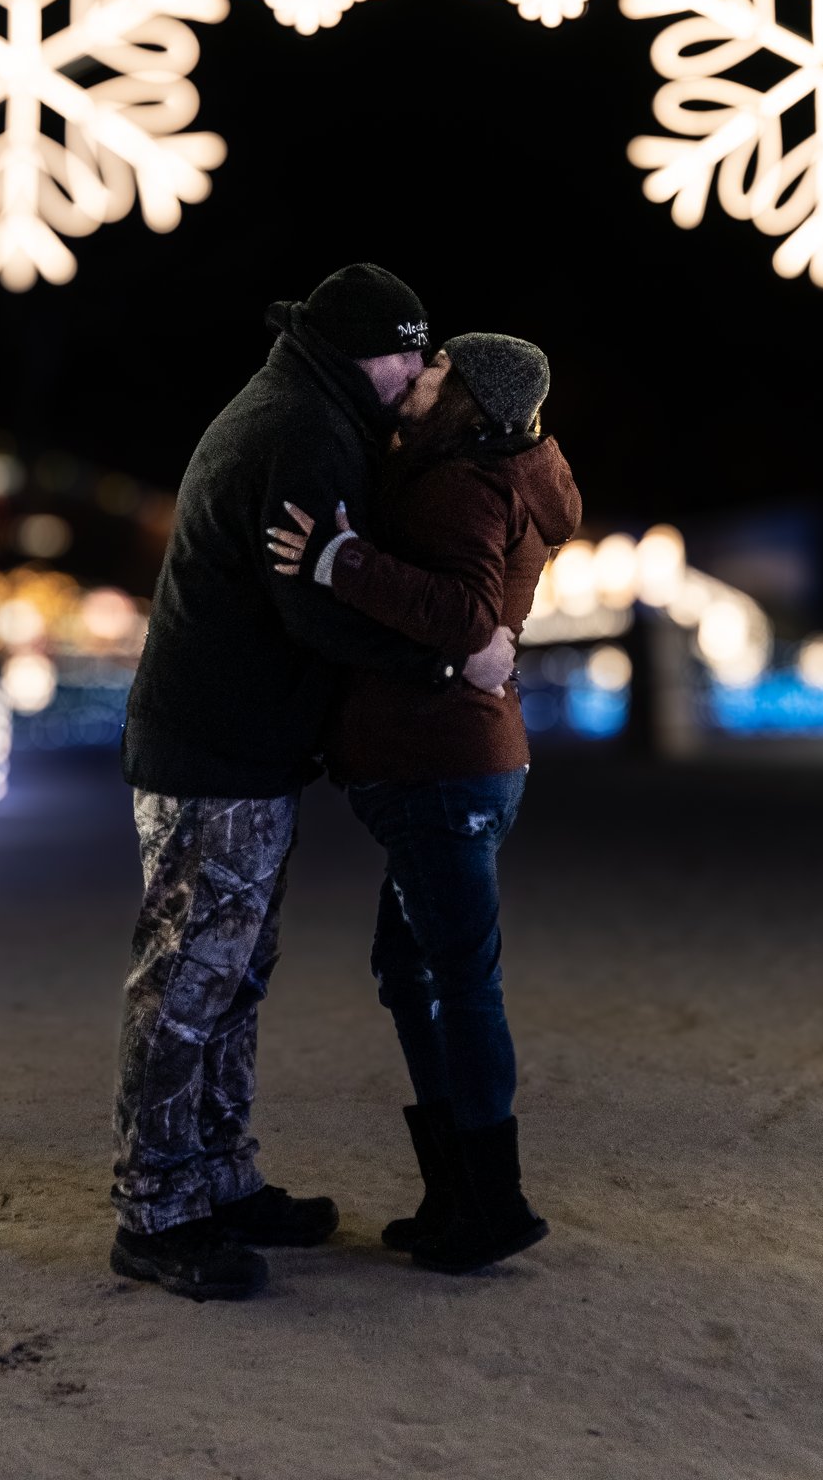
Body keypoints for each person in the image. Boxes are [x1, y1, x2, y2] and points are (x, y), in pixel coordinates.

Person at [112, 265, 516, 1303]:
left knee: (230, 976)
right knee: (189, 978)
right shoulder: (299, 430)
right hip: (214, 754)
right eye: (407, 350)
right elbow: (313, 609)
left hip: (243, 751)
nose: (421, 369)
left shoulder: (307, 416)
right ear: (356, 352)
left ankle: (218, 1177)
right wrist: (449, 662)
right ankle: (158, 1208)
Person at [265, 333, 578, 1274]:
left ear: (471, 401)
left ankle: (493, 1203)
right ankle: (457, 1191)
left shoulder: (459, 485)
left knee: (457, 982)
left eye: (439, 370)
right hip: (465, 765)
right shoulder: (512, 468)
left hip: (443, 765)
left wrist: (338, 560)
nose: (420, 376)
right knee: (413, 973)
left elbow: (469, 620)